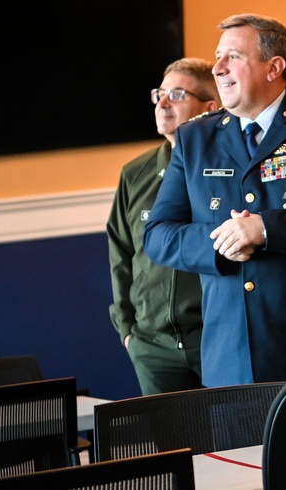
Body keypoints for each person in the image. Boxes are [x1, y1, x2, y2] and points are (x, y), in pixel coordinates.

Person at [143, 13, 286, 387]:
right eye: (218, 57)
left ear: (274, 67)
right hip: (230, 361)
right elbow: (157, 235)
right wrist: (222, 243)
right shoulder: (195, 138)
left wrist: (265, 228)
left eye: (233, 57)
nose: (218, 68)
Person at [107, 57, 219, 395]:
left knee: (237, 431)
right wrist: (128, 332)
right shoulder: (134, 173)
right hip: (152, 348)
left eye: (178, 94)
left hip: (215, 339)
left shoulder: (227, 167)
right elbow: (120, 254)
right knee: (171, 433)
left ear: (210, 107)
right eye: (160, 94)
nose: (163, 103)